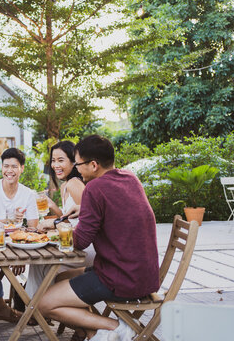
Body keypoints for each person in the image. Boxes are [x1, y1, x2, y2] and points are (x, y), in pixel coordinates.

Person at [38, 135, 159, 341]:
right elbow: (113, 211)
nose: (77, 168)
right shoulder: (130, 178)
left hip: (120, 278)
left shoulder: (95, 188)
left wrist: (56, 225)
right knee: (60, 278)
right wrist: (83, 210)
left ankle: (117, 327)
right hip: (143, 274)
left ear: (93, 165)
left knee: (43, 304)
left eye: (79, 164)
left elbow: (80, 241)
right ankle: (93, 333)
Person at [25, 141, 96, 302]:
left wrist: (54, 225)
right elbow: (71, 218)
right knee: (38, 264)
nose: (55, 165)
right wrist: (54, 207)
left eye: (61, 160)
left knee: (44, 265)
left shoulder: (74, 184)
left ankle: (37, 307)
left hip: (86, 248)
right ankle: (34, 307)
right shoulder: (65, 186)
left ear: (74, 162)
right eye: (53, 160)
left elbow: (90, 220)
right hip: (72, 243)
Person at [0, 147, 39, 323]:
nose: (9, 171)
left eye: (14, 166)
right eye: (6, 166)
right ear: (1, 167)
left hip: (16, 245)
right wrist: (9, 219)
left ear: (22, 168)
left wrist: (21, 256)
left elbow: (33, 227)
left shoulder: (27, 194)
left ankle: (30, 307)